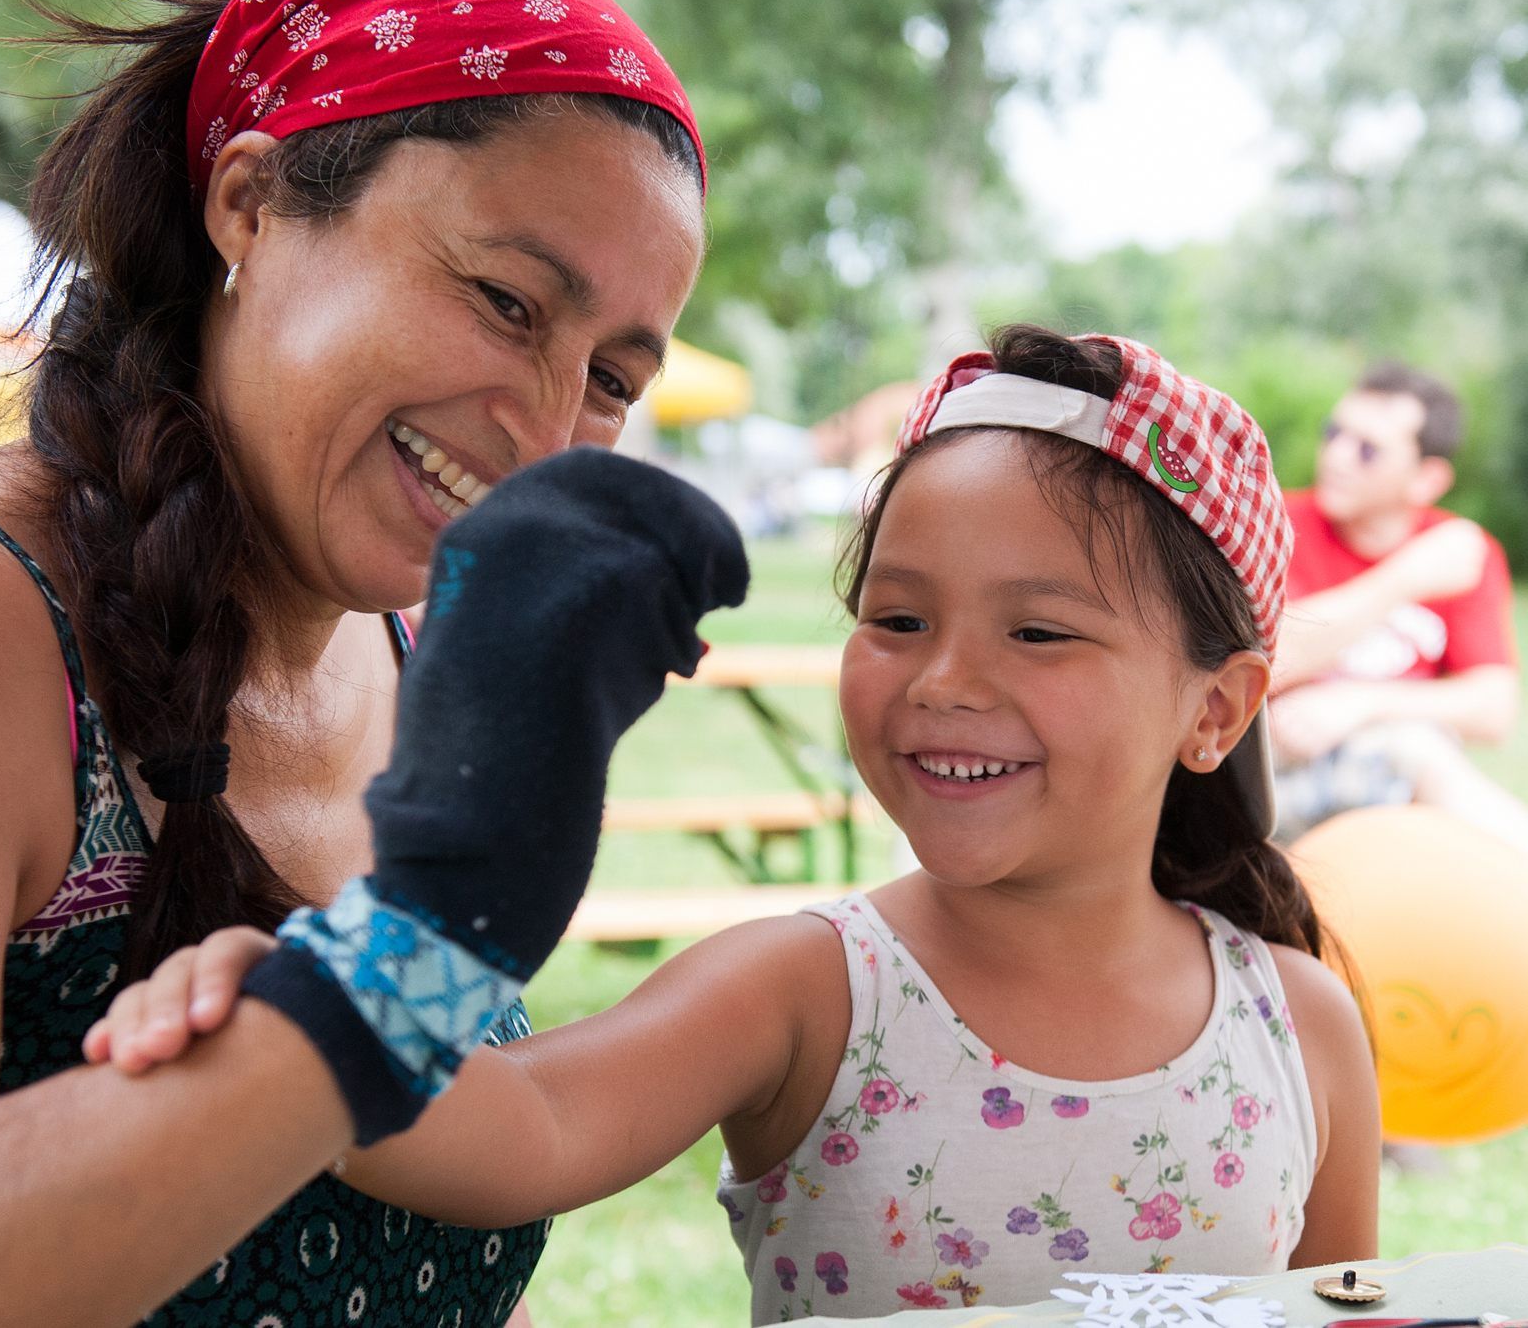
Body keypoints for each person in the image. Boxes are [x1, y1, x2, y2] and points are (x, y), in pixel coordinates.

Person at [0, 0, 733, 1321]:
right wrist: (386, 984)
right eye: (502, 299)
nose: (547, 430)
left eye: (611, 379)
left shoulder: (417, 656)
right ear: (248, 204)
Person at [87, 326, 1382, 1315]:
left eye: (1036, 630)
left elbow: (1343, 1313)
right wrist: (310, 1017)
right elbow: (521, 1130)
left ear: (1213, 710)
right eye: (895, 619)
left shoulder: (1296, 1023)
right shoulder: (811, 990)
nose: (942, 681)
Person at [1271, 363, 1527, 850]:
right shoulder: (1277, 524)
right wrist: (1401, 580)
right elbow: (1266, 659)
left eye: (1368, 449)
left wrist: (1362, 703)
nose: (1337, 457)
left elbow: (1494, 708)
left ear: (1426, 479)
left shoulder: (1460, 549)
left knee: (1416, 751)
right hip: (1279, 774)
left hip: (1400, 774)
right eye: (1335, 433)